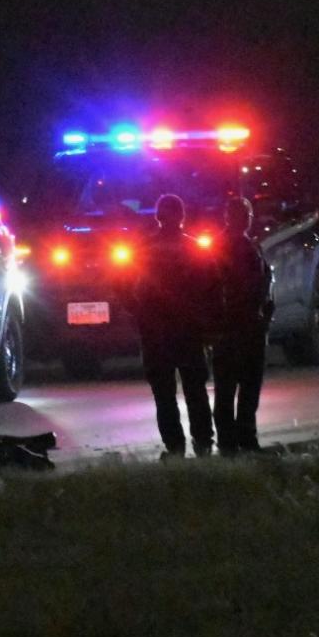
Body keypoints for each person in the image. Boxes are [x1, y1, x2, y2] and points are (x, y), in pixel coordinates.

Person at [130, 194, 218, 458]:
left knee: (165, 395)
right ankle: (202, 444)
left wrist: (139, 314)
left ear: (157, 216)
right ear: (182, 216)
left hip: (157, 334)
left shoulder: (143, 250)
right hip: (188, 332)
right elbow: (212, 288)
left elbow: (124, 286)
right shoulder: (195, 249)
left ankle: (176, 448)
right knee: (194, 391)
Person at [212, 196, 274, 455]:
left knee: (236, 389)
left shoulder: (226, 246)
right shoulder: (240, 248)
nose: (247, 220)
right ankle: (240, 441)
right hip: (241, 327)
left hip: (237, 328)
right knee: (241, 389)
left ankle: (235, 442)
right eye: (244, 215)